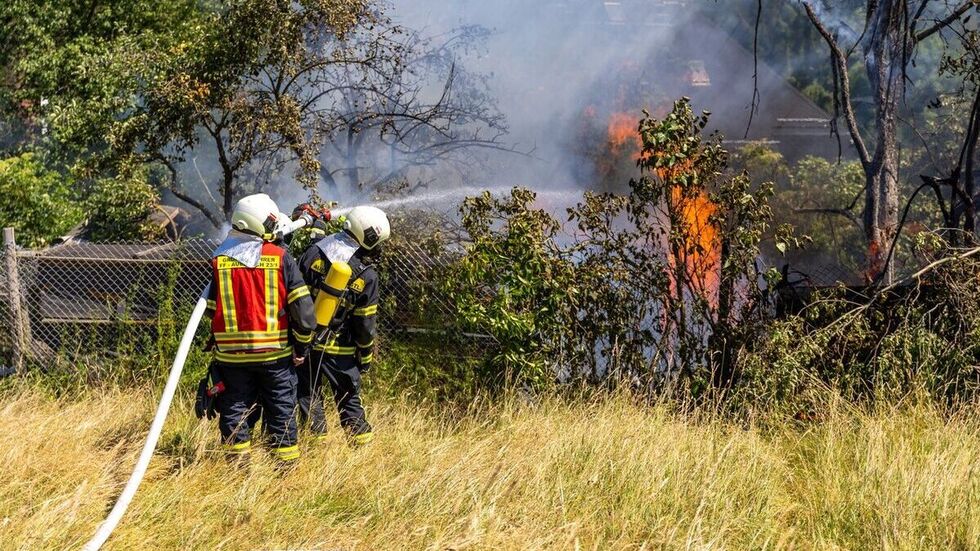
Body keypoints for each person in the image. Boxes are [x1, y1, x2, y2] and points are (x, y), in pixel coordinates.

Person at [205, 193, 316, 463]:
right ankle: (285, 471)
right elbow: (303, 312)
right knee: (280, 410)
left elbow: (211, 309)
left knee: (235, 409)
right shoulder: (279, 258)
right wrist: (301, 347)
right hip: (274, 356)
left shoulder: (219, 260)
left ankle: (237, 470)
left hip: (232, 359)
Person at [295, 205, 390, 445]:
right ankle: (361, 450)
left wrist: (317, 226)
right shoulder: (367, 275)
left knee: (309, 397)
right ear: (368, 238)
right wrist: (365, 356)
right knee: (349, 400)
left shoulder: (314, 252)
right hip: (342, 352)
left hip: (306, 345)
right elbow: (365, 324)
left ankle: (314, 450)